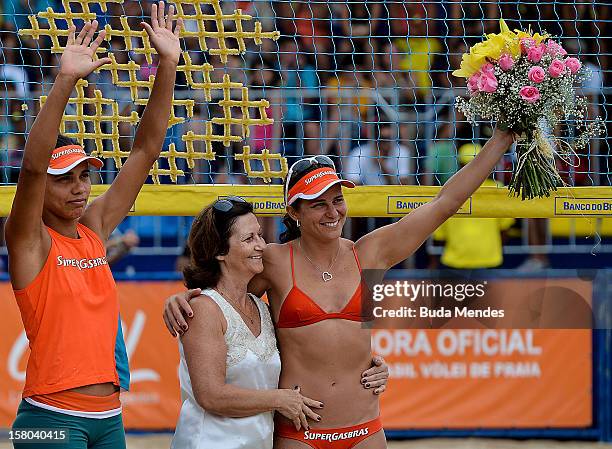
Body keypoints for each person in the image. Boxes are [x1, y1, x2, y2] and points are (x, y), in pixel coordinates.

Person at [166, 125, 514, 448]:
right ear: (295, 212)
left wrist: (500, 140)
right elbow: (223, 293)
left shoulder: (369, 253)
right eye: (318, 204)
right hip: (301, 431)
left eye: (337, 200)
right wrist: (181, 298)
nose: (332, 212)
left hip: (365, 428)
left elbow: (445, 203)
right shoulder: (272, 261)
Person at [6, 5, 182, 448]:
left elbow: (145, 149)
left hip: (109, 418)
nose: (79, 187)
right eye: (64, 179)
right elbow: (30, 169)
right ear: (42, 189)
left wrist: (168, 65)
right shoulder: (30, 240)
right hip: (48, 418)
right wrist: (65, 81)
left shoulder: (94, 228)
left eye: (85, 175)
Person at [170, 197, 323, 449]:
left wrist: (368, 365)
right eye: (249, 239)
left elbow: (304, 353)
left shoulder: (260, 307)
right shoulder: (203, 308)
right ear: (219, 251)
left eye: (260, 235)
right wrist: (279, 400)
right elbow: (210, 395)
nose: (262, 245)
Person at [430, 144, 514, 270]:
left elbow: (439, 236)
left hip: (455, 261)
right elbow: (505, 228)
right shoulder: (496, 188)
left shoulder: (448, 189)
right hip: (489, 260)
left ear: (460, 165)